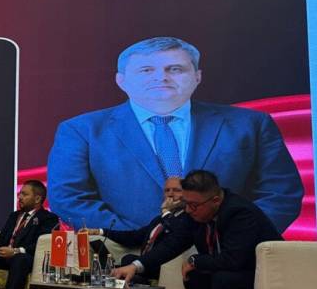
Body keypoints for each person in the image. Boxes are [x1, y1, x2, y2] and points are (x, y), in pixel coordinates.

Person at [47, 36, 302, 233]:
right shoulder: (81, 131)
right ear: (121, 81)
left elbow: (281, 193)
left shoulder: (251, 124)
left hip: (228, 260)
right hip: (122, 258)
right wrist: (136, 238)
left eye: (175, 69)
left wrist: (236, 236)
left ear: (197, 77)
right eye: (146, 70)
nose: (161, 78)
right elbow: (69, 198)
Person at [113, 170, 282, 289]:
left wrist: (195, 260)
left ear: (216, 200)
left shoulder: (239, 213)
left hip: (264, 275)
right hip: (232, 271)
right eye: (186, 203)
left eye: (193, 205)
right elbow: (172, 244)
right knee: (195, 277)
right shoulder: (195, 214)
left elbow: (233, 260)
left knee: (224, 279)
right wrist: (135, 266)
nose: (188, 210)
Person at [75, 177, 186, 289]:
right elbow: (133, 237)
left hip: (158, 270)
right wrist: (100, 231)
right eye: (167, 190)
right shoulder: (158, 220)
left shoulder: (186, 220)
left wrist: (166, 213)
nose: (170, 194)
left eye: (176, 190)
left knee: (128, 272)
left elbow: (174, 240)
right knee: (105, 275)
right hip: (140, 271)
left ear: (187, 193)